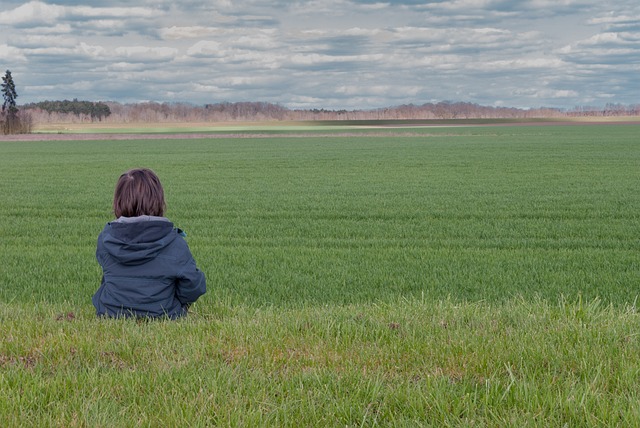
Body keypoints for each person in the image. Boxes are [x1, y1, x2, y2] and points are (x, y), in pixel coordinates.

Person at [92, 168, 206, 319]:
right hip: (164, 313)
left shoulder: (106, 239)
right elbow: (194, 285)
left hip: (110, 313)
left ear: (118, 201)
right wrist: (178, 300)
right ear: (158, 200)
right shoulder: (175, 243)